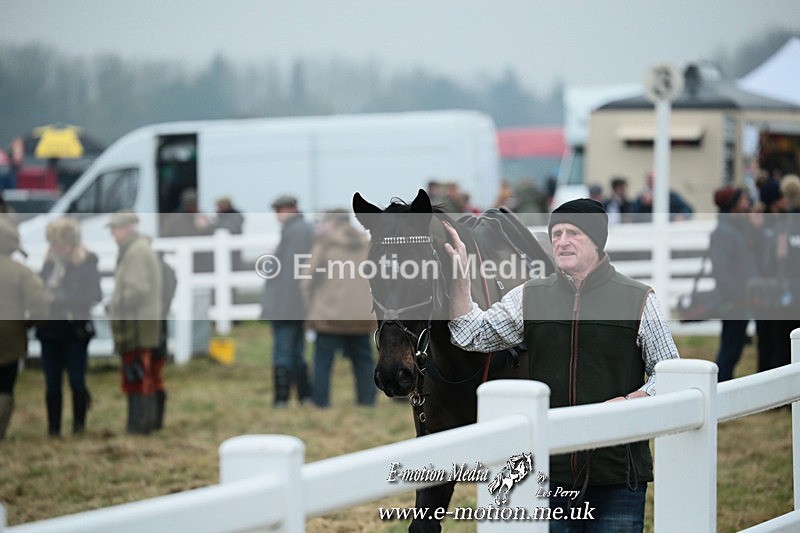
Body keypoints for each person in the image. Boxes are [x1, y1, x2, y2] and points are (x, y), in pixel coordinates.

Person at [443, 198, 680, 531]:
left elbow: (669, 374)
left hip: (617, 475)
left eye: (573, 233)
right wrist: (460, 280)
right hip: (547, 475)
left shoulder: (638, 299)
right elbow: (472, 334)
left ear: (597, 240)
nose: (561, 241)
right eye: (556, 233)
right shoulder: (530, 296)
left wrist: (630, 403)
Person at [301, 209, 376, 408]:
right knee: (364, 360)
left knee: (323, 360)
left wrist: (311, 305)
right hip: (361, 314)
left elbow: (308, 278)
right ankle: (367, 400)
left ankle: (321, 401)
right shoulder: (365, 242)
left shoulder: (325, 244)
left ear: (331, 222)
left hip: (329, 313)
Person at [35, 218, 102, 436]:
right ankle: (53, 429)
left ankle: (79, 427)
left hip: (75, 331)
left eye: (61, 244)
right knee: (52, 383)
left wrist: (62, 299)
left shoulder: (87, 262)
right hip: (50, 331)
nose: (57, 248)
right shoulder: (48, 264)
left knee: (76, 380)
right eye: (53, 244)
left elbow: (94, 295)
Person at [107, 210, 163, 434]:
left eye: (116, 228)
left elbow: (136, 289)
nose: (113, 233)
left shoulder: (136, 251)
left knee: (138, 374)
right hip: (140, 323)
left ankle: (140, 424)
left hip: (137, 324)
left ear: (128, 227)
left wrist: (115, 304)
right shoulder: (135, 249)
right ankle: (144, 422)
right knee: (140, 373)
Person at [260, 195, 314, 407]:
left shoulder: (296, 231)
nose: (277, 215)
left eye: (279, 210)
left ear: (290, 208)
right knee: (296, 352)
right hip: (293, 304)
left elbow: (293, 273)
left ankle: (283, 399)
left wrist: (286, 306)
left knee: (284, 353)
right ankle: (303, 396)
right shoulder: (298, 229)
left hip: (287, 305)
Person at [0, 219, 48, 440]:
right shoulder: (22, 272)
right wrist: (28, 325)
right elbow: (39, 306)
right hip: (10, 338)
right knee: (5, 386)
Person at [709, 186, 760, 382]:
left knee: (733, 348)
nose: (747, 204)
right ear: (733, 205)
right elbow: (722, 271)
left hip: (740, 299)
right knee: (730, 349)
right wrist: (738, 296)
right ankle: (719, 390)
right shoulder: (724, 232)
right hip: (734, 301)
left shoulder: (735, 229)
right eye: (743, 200)